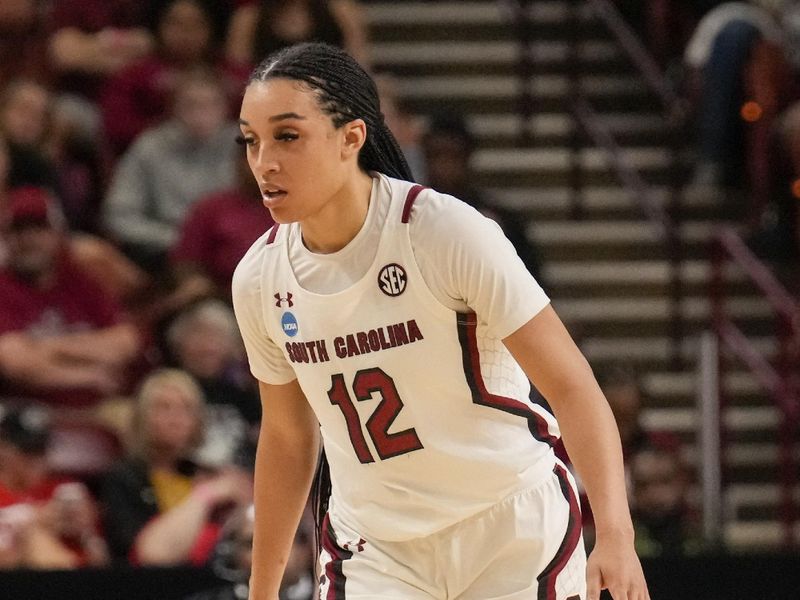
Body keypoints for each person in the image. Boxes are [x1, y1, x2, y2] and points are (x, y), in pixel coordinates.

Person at [232, 42, 649, 600]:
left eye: (287, 136)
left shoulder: (442, 231)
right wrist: (263, 592)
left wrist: (617, 534)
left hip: (509, 528)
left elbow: (572, 386)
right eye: (251, 141)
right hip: (375, 547)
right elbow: (286, 437)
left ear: (351, 138)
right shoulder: (259, 278)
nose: (265, 162)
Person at [0, 186, 141, 408]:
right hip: (25, 413)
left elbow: (126, 342)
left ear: (58, 233)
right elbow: (15, 363)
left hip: (100, 409)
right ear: (6, 238)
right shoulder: (3, 288)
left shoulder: (80, 279)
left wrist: (47, 348)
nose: (29, 239)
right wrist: (90, 374)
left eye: (39, 228)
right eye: (19, 231)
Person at [100, 369, 253, 566]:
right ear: (142, 417)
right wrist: (208, 494)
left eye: (186, 409)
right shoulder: (123, 478)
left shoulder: (213, 474)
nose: (176, 418)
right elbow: (145, 555)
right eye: (164, 408)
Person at [0, 404, 109, 569]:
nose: (38, 460)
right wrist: (36, 521)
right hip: (16, 583)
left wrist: (85, 534)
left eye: (42, 450)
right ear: (3, 450)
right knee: (35, 536)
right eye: (28, 451)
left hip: (75, 582)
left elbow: (100, 560)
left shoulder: (66, 491)